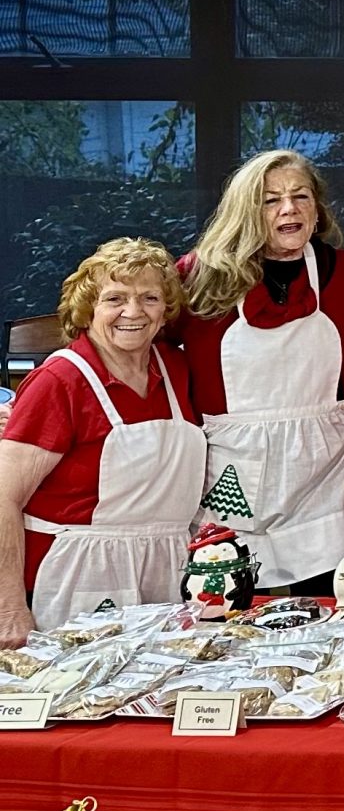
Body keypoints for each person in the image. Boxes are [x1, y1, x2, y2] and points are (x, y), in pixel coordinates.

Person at [173, 149, 344, 595]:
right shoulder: (200, 275)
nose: (288, 209)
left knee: (328, 614)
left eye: (300, 196)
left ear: (318, 209)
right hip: (231, 473)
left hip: (323, 476)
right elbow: (152, 362)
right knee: (227, 614)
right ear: (245, 209)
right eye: (270, 199)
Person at [0, 240, 202, 642]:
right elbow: (3, 496)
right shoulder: (59, 382)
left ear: (165, 312)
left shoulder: (178, 370)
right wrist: (7, 607)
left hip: (166, 572)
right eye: (115, 298)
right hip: (72, 580)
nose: (133, 312)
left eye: (150, 297)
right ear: (88, 308)